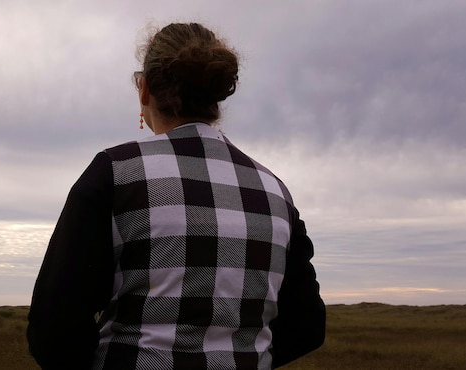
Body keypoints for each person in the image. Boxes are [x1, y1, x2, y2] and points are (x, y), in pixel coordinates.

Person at [27, 22, 325, 370]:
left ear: (145, 89)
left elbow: (54, 328)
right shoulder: (276, 192)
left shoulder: (115, 173)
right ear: (215, 97)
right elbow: (307, 326)